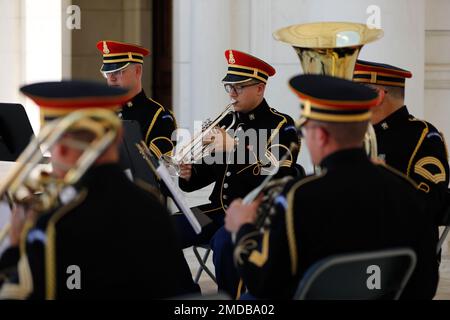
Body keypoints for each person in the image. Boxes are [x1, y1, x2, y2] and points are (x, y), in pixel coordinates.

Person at [225, 74, 439, 300]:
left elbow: (263, 282)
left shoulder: (299, 196)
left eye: (306, 133)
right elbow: (425, 283)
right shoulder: (406, 190)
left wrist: (243, 228)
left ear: (321, 136)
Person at [0, 80, 194, 299]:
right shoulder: (153, 208)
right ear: (119, 137)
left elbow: (15, 294)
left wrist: (14, 246)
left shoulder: (55, 223)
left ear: (62, 148)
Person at [175, 50, 300, 248]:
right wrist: (189, 173)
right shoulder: (227, 122)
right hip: (216, 212)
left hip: (255, 215)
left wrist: (235, 145)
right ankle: (183, 281)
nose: (232, 93)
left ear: (260, 88)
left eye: (239, 87)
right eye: (229, 86)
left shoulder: (281, 124)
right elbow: (205, 175)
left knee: (223, 244)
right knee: (164, 230)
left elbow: (279, 171)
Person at [353, 60, 449, 224]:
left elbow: (432, 202)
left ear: (377, 95)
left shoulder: (422, 135)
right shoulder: (357, 134)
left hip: (399, 243)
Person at [97, 40, 177, 159]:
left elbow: (154, 169)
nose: (111, 78)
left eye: (118, 71)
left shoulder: (158, 116)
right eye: (108, 73)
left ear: (138, 71)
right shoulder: (101, 112)